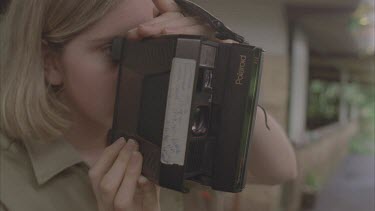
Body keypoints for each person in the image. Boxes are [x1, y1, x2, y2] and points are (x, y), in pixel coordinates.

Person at [0, 0, 297, 210]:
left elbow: (280, 169)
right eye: (114, 50)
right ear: (49, 61)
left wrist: (218, 62)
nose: (140, 71)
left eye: (153, 48)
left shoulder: (166, 127)